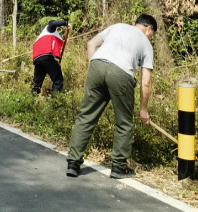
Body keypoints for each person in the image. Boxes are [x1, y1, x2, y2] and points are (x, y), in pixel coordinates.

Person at [66, 14, 157, 180]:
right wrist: (143, 109)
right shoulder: (146, 43)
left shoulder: (118, 26)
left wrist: (94, 66)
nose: (151, 37)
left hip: (97, 64)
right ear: (149, 29)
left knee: (86, 116)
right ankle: (118, 167)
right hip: (121, 73)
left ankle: (73, 163)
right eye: (152, 34)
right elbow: (146, 82)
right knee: (124, 122)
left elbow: (91, 43)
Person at [32, 19, 70, 95]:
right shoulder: (50, 28)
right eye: (58, 28)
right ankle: (55, 99)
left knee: (37, 82)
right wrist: (66, 23)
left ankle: (31, 99)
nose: (58, 30)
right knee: (58, 79)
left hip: (37, 59)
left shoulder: (42, 34)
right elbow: (53, 23)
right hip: (46, 57)